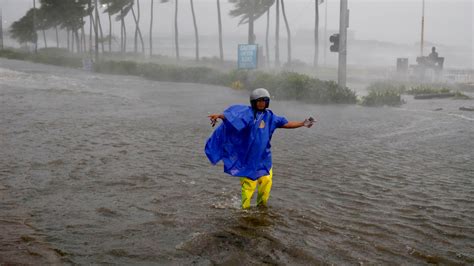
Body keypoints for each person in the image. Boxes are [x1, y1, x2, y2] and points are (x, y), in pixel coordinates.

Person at [205, 88, 316, 209]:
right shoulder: (247, 114)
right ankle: (244, 211)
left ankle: (261, 208)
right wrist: (220, 116)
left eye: (264, 100)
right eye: (259, 101)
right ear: (254, 102)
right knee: (249, 188)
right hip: (248, 160)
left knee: (266, 184)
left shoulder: (270, 117)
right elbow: (233, 117)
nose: (262, 103)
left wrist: (302, 123)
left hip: (264, 159)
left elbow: (286, 123)